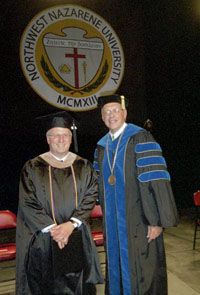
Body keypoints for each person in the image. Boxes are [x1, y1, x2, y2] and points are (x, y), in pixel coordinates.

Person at [93, 94, 179, 295]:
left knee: (144, 272)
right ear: (102, 117)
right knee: (115, 268)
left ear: (124, 113)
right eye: (106, 112)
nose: (111, 115)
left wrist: (157, 221)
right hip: (113, 226)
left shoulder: (140, 138)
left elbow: (157, 181)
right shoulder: (101, 146)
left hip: (141, 222)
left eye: (115, 110)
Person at [16, 111, 103, 295]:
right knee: (46, 285)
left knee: (78, 285)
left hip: (77, 235)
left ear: (71, 139)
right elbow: (28, 202)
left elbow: (92, 194)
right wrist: (55, 230)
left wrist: (70, 225)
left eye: (65, 135)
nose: (61, 139)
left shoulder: (84, 166)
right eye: (56, 135)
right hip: (44, 239)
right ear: (48, 139)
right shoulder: (32, 167)